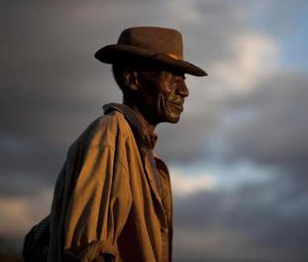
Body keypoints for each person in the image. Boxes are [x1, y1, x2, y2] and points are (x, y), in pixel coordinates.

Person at [22, 26, 207, 262]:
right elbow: (89, 251)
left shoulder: (152, 159)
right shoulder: (109, 135)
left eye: (183, 78)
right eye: (171, 76)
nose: (184, 90)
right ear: (132, 79)